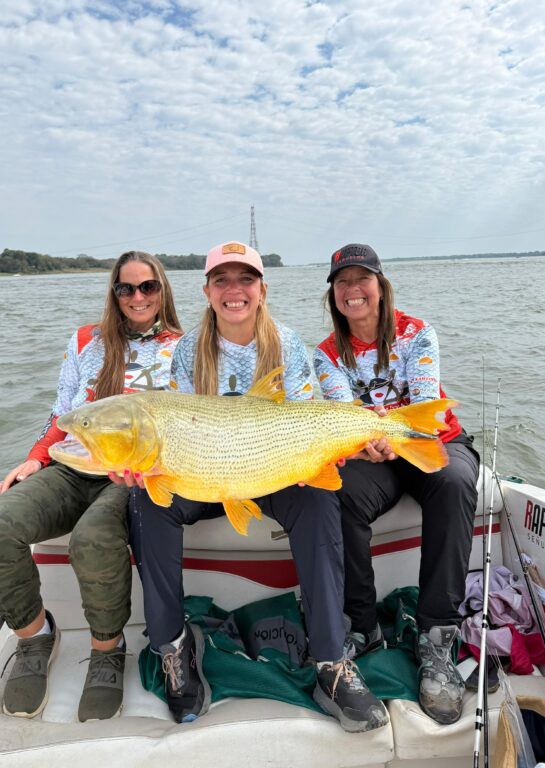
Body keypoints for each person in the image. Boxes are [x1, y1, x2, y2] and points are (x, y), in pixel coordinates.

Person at [111, 241, 389, 733]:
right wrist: (142, 462)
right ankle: (173, 647)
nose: (234, 290)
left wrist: (324, 452)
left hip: (272, 467)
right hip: (207, 471)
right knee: (145, 501)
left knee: (322, 497)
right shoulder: (188, 350)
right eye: (222, 280)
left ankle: (331, 660)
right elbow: (174, 428)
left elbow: (303, 420)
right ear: (207, 290)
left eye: (245, 280)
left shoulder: (288, 344)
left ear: (262, 289)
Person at [0, 251, 182, 722]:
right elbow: (61, 411)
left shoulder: (185, 346)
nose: (138, 297)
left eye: (148, 287)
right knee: (3, 521)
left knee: (93, 538)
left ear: (163, 290)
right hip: (72, 466)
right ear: (114, 293)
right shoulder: (86, 340)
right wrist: (35, 458)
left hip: (129, 476)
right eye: (127, 288)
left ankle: (107, 649)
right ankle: (34, 635)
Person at [313, 243, 479, 725]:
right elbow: (345, 412)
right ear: (333, 295)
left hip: (430, 440)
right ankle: (362, 626)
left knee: (453, 482)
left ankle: (437, 638)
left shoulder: (417, 333)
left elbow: (426, 403)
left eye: (362, 279)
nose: (352, 290)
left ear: (381, 286)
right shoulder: (326, 354)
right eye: (342, 282)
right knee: (336, 494)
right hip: (373, 450)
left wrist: (383, 430)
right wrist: (369, 438)